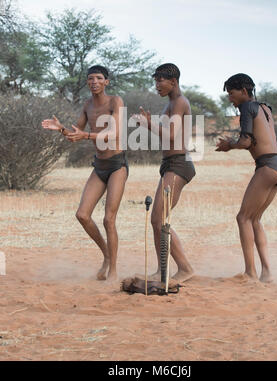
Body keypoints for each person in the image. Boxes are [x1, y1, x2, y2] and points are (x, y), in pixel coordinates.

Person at [42, 65, 128, 282]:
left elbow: (114, 133)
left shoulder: (116, 101)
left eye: (99, 78)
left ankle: (114, 271)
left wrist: (86, 135)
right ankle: (107, 255)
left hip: (117, 165)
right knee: (82, 215)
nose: (94, 82)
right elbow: (75, 134)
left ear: (106, 82)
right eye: (91, 78)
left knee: (109, 219)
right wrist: (61, 129)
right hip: (99, 166)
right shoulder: (87, 105)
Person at [216, 73, 277, 283]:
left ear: (244, 92)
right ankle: (266, 273)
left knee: (243, 218)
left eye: (232, 93)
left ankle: (250, 272)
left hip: (267, 167)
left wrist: (229, 145)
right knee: (254, 219)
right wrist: (234, 142)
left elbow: (246, 141)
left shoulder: (247, 107)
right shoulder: (265, 108)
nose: (230, 98)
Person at [133, 63, 196, 283]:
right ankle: (162, 271)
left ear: (174, 81)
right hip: (170, 164)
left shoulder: (179, 102)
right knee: (157, 219)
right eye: (155, 81)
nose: (157, 86)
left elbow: (171, 136)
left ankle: (185, 268)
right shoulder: (172, 103)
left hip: (179, 165)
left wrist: (149, 124)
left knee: (159, 218)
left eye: (160, 81)